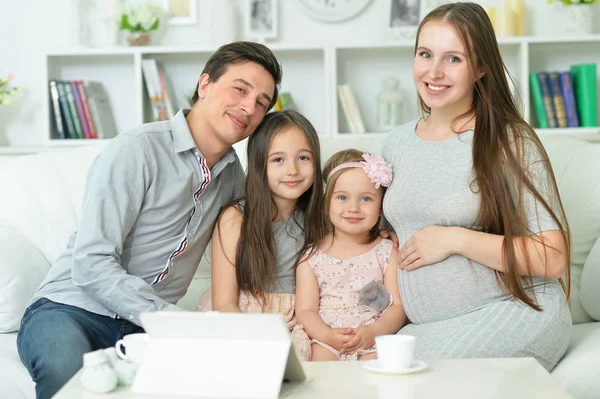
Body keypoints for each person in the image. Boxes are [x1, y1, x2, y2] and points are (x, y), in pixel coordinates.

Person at [17, 41, 282, 399]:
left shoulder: (234, 178)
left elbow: (269, 227)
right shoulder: (138, 149)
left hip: (148, 330)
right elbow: (90, 262)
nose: (249, 107)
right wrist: (169, 319)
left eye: (262, 103)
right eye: (240, 89)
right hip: (72, 308)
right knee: (68, 373)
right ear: (205, 85)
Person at [382, 2, 572, 371]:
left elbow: (553, 257)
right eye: (425, 54)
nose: (434, 72)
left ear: (481, 68)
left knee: (423, 378)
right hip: (426, 326)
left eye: (453, 59)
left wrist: (454, 238)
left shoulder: (509, 140)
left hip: (513, 312)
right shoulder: (396, 143)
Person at [196, 110, 327, 361]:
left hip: (296, 321)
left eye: (303, 158)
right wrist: (255, 340)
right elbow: (224, 302)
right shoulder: (236, 218)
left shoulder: (322, 219)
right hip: (238, 319)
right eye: (278, 159)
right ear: (259, 164)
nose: (293, 170)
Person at [296, 149, 406, 361]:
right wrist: (327, 335)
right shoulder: (311, 256)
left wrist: (375, 332)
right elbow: (305, 311)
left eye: (366, 199)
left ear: (382, 207)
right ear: (327, 202)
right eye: (342, 197)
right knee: (320, 363)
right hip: (327, 339)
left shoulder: (386, 251)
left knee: (379, 367)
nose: (353, 208)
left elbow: (398, 308)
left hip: (372, 337)